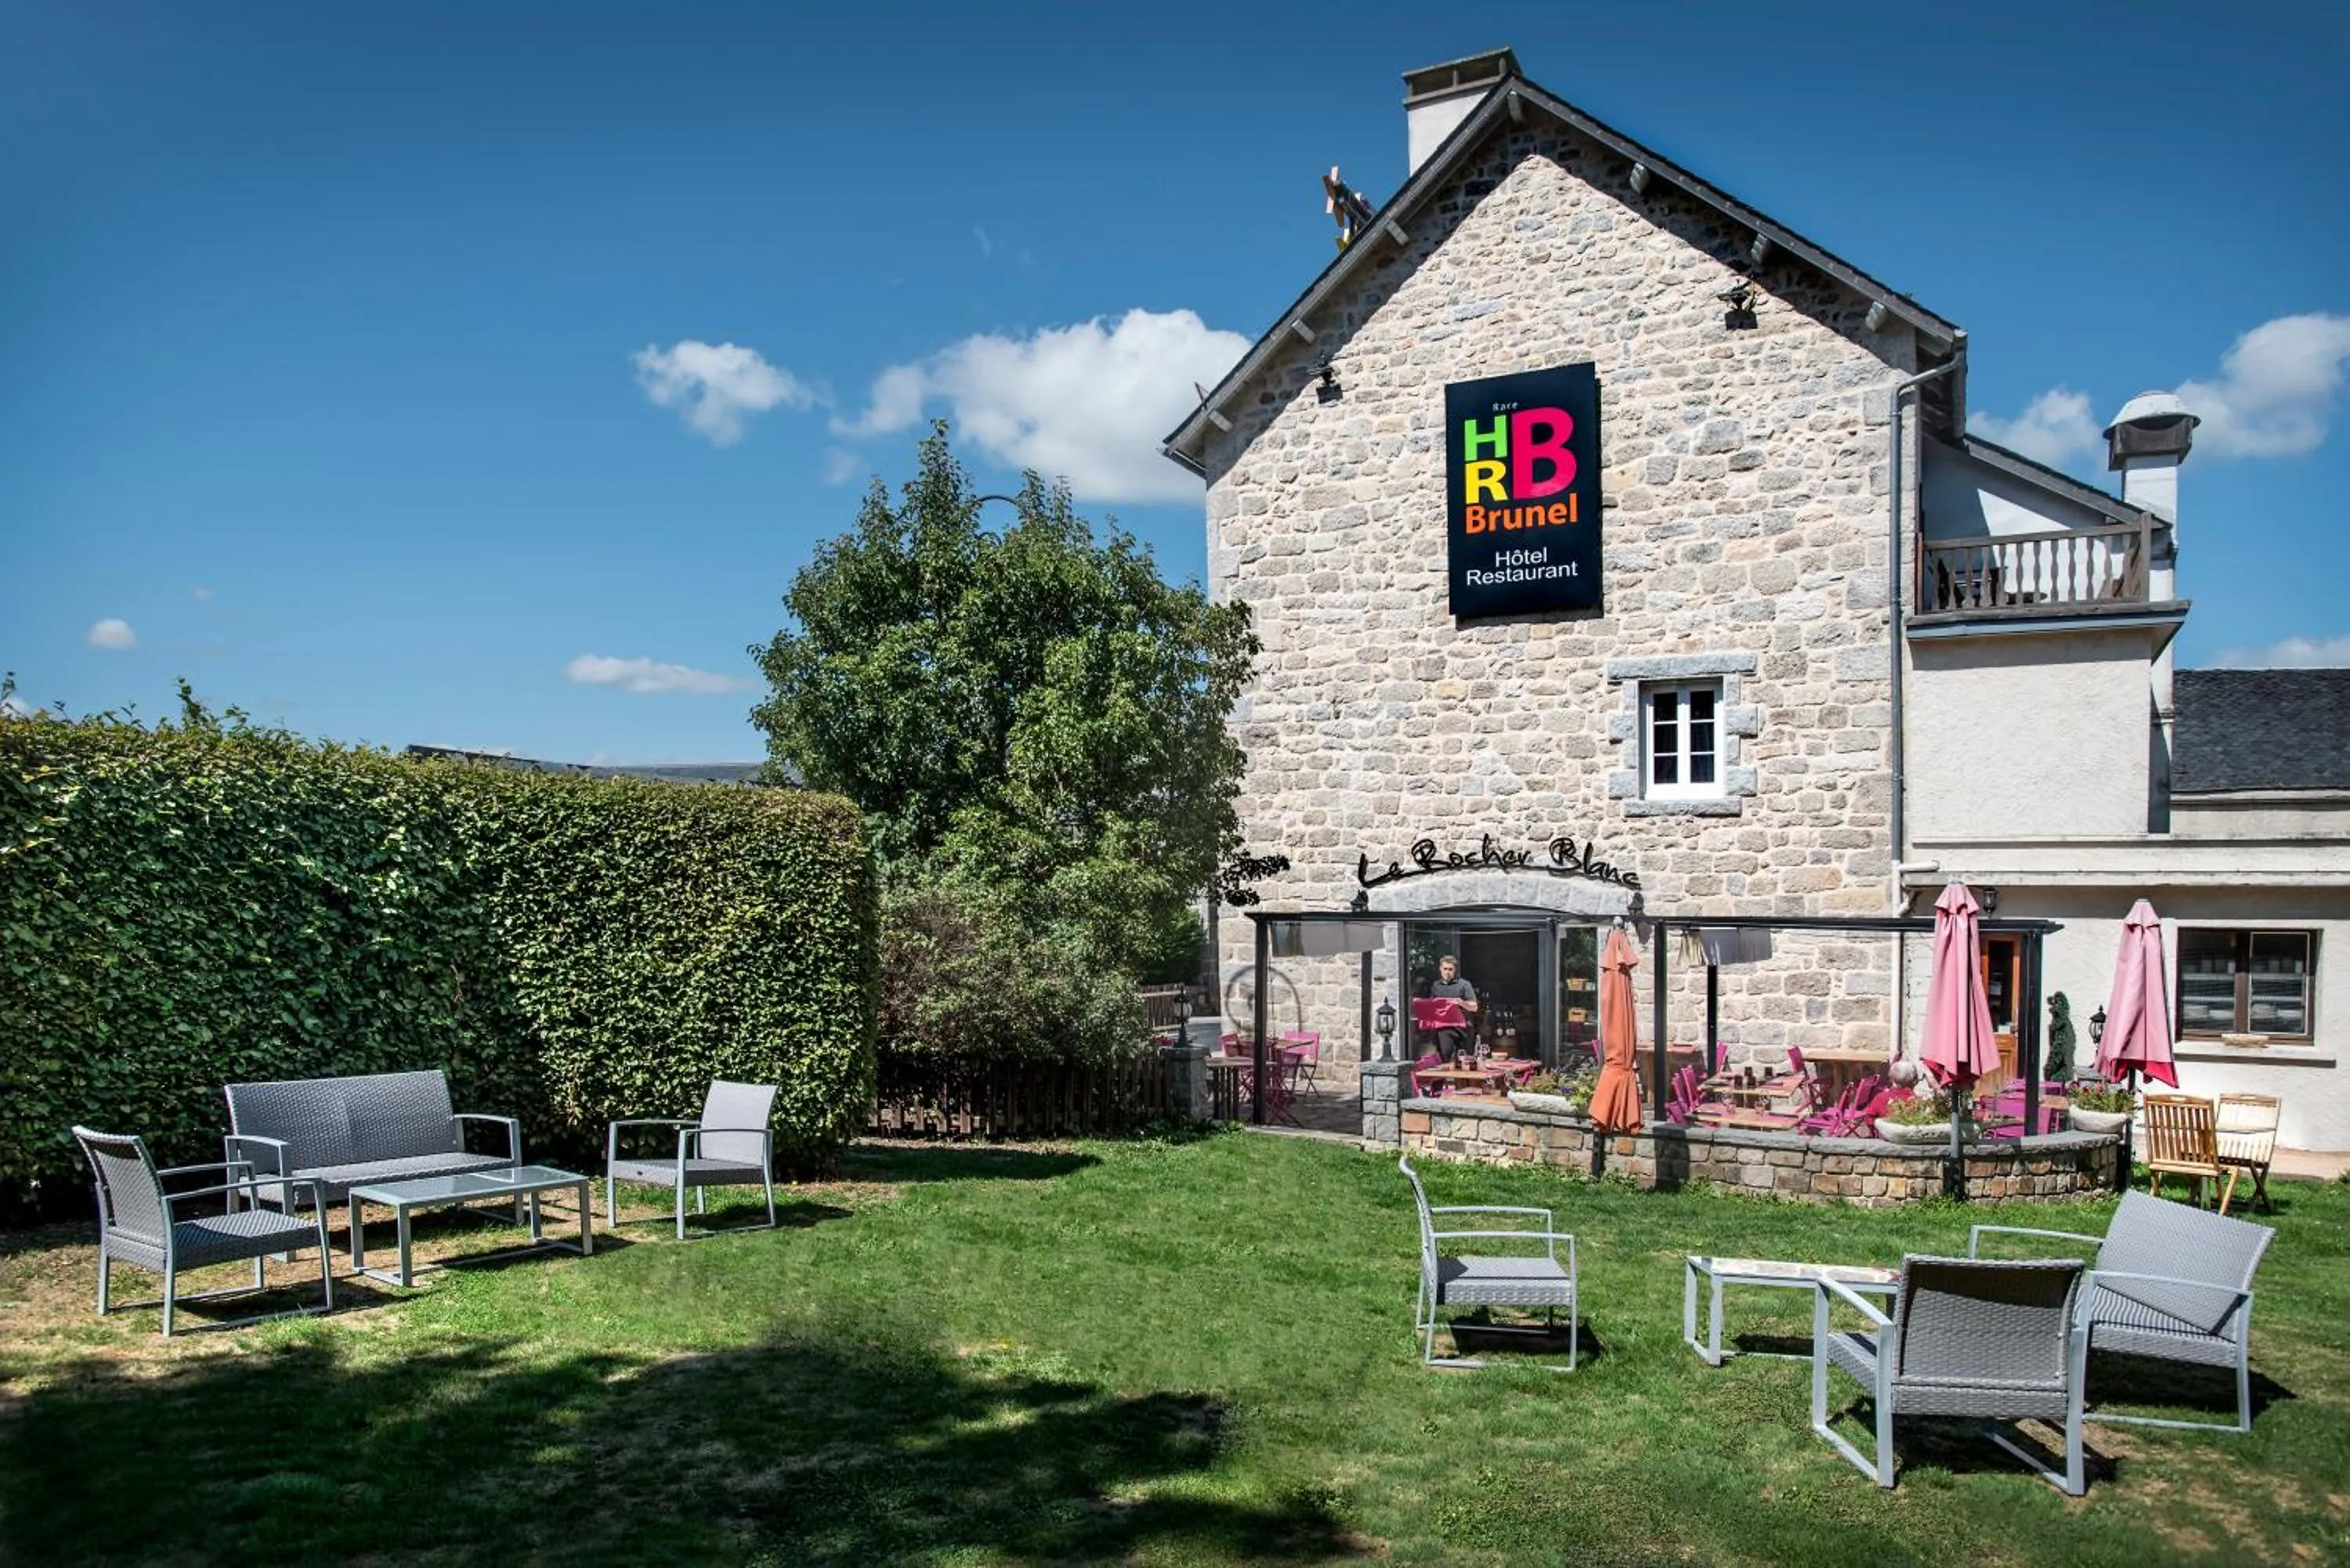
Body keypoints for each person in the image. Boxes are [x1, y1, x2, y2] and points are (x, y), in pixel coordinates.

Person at [1425, 954, 1480, 1062]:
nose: (1448, 972)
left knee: (1465, 1059)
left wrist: (1461, 1003)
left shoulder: (1464, 985)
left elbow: (1474, 1007)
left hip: (1463, 1028)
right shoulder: (1436, 986)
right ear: (1440, 969)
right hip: (1444, 1028)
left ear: (1455, 970)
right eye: (1445, 969)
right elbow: (1431, 1006)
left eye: (1450, 969)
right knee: (1445, 1058)